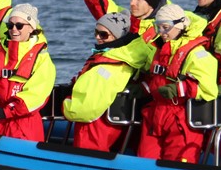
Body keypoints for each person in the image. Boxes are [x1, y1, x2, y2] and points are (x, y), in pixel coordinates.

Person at [136, 4, 218, 163]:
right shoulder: (161, 49)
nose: (162, 32)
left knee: (176, 164)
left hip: (181, 118)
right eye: (158, 27)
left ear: (179, 26)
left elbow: (208, 89)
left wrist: (178, 89)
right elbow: (156, 77)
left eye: (166, 27)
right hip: (155, 115)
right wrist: (143, 88)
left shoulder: (197, 55)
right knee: (144, 161)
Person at [62, 12, 153, 152]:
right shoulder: (120, 58)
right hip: (108, 124)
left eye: (103, 34)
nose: (98, 37)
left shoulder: (109, 66)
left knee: (87, 160)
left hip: (94, 126)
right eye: (96, 32)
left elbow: (85, 109)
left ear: (117, 36)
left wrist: (66, 105)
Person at [0, 3, 56, 141]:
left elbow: (36, 96)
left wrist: (7, 111)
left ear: (31, 28)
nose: (14, 29)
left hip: (24, 127)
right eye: (10, 25)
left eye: (19, 26)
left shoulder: (42, 59)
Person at [80, 0, 166, 42]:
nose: (132, 3)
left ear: (152, 4)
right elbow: (105, 9)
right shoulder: (126, 17)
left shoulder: (163, 28)